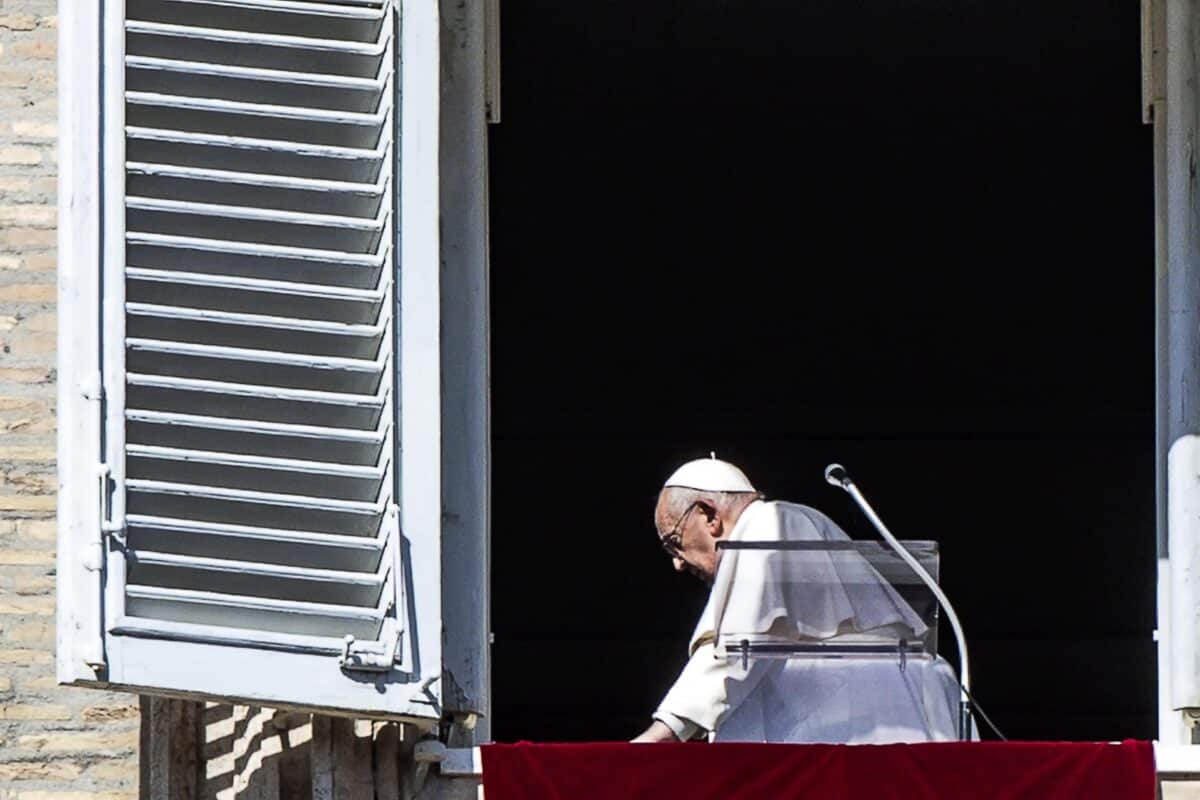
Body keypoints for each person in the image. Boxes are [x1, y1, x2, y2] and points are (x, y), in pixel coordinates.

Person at [633, 456, 963, 744]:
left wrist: (664, 731)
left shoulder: (769, 523)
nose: (677, 563)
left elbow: (739, 646)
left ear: (709, 515)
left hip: (860, 727)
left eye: (674, 542)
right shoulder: (797, 521)